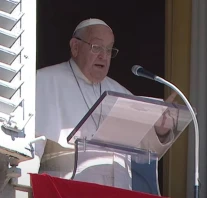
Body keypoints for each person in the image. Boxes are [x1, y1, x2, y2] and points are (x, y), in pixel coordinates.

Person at [35, 18, 176, 191]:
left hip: (119, 190)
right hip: (66, 190)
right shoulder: (45, 81)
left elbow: (144, 154)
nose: (104, 55)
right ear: (75, 47)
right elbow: (33, 148)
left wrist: (159, 131)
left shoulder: (122, 93)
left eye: (109, 50)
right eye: (97, 47)